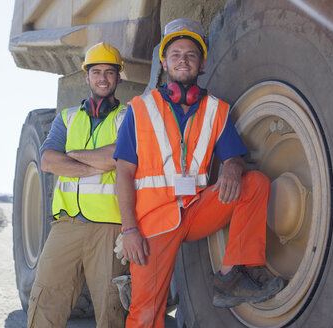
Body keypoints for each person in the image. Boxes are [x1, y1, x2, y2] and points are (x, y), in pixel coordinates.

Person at [113, 18, 285, 327]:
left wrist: (233, 168)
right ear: (164, 63)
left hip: (195, 209)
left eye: (190, 55)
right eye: (176, 54)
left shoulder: (216, 110)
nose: (183, 60)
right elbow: (123, 173)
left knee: (254, 183)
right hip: (154, 223)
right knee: (146, 312)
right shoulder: (139, 109)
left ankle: (234, 274)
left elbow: (234, 157)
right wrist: (129, 230)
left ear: (201, 63)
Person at [26, 42, 129, 328]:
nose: (103, 78)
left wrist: (71, 157)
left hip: (109, 230)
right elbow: (48, 162)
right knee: (45, 302)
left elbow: (120, 157)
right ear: (87, 76)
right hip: (66, 226)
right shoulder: (67, 118)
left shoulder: (128, 117)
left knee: (112, 309)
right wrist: (100, 163)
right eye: (96, 71)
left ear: (119, 77)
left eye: (110, 72)